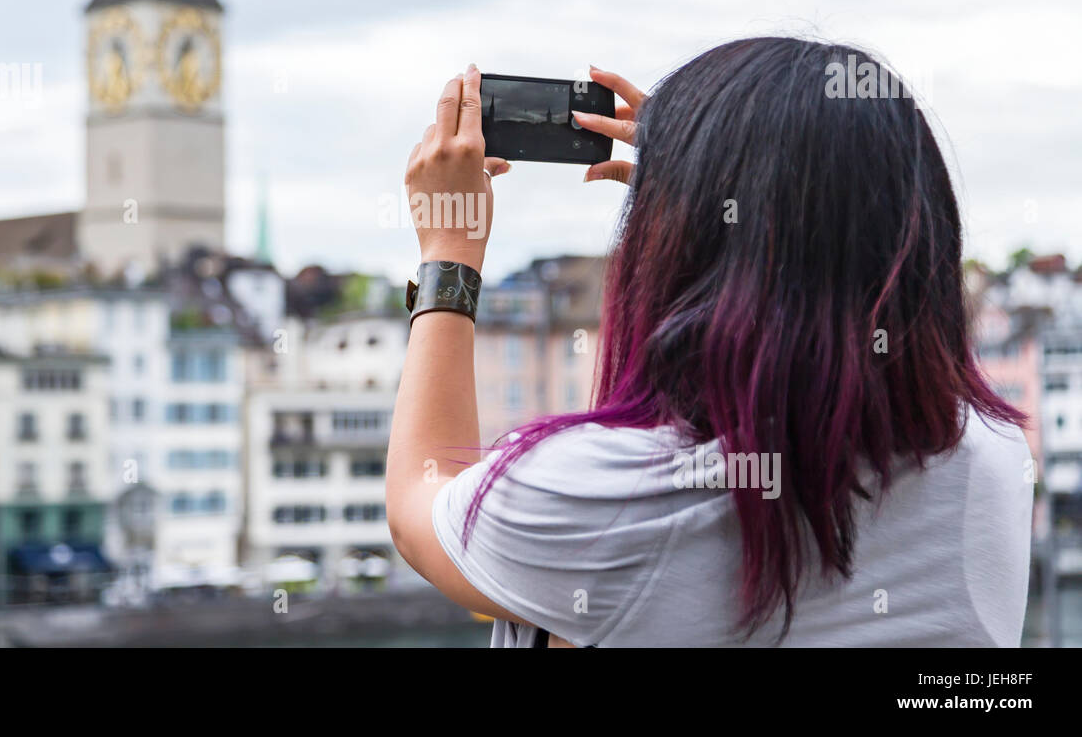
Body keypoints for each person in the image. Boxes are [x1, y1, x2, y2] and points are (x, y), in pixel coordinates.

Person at [385, 38, 1033, 647]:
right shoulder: (994, 461)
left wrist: (450, 249)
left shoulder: (616, 496)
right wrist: (700, 188)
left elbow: (422, 499)